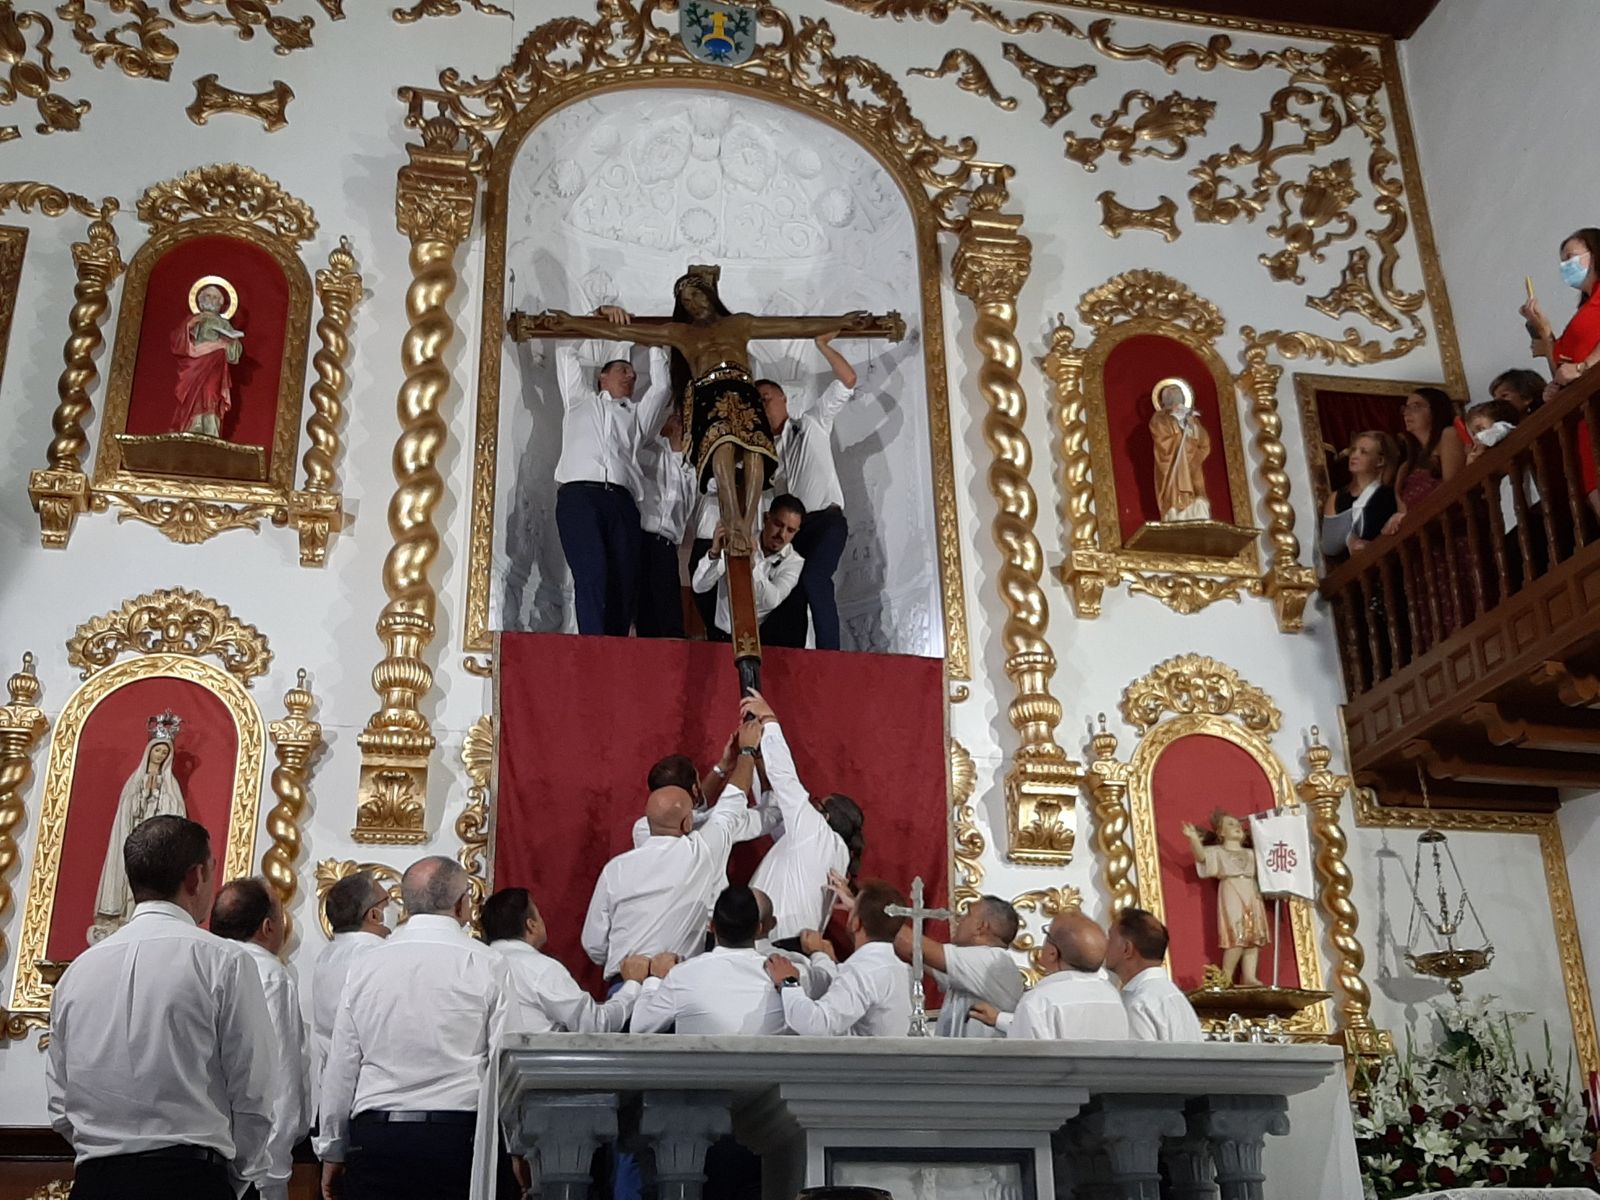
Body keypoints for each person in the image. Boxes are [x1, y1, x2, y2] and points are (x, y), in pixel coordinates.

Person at [46, 815, 275, 1200]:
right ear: (194, 877)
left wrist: (107, 1155)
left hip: (97, 1181)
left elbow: (60, 1102)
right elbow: (254, 1090)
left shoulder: (76, 973)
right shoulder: (223, 960)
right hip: (190, 1178)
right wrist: (237, 1176)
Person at [317, 857, 512, 1200]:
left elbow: (343, 1065)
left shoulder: (365, 966)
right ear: (462, 904)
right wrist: (516, 1147)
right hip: (456, 1136)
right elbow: (505, 1062)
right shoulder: (488, 963)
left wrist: (332, 1149)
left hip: (378, 1135)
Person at [582, 713, 765, 980]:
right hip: (679, 986)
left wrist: (628, 957)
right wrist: (748, 750)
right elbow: (731, 804)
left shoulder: (616, 868)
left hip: (624, 986)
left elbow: (594, 945)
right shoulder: (701, 853)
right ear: (688, 822)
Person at [549, 307, 674, 636]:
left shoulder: (636, 416)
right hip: (579, 497)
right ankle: (593, 644)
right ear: (601, 377)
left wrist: (652, 337)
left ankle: (615, 647)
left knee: (623, 579)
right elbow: (566, 351)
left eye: (633, 374)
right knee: (592, 573)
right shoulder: (578, 400)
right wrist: (596, 318)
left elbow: (661, 388)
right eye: (623, 370)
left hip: (621, 502)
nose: (630, 377)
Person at [757, 334, 860, 649]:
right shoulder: (764, 455)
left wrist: (822, 346)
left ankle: (830, 656)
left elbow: (848, 379)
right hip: (793, 533)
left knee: (815, 579)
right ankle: (788, 657)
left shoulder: (814, 422)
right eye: (756, 403)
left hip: (826, 522)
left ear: (784, 399)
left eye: (767, 398)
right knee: (789, 592)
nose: (763, 406)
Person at [210, 877, 311, 1200]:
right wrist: (273, 1168)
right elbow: (278, 1077)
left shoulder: (202, 963)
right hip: (254, 1168)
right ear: (268, 927)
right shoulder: (268, 973)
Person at [741, 689, 860, 940]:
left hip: (777, 943)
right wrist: (756, 761)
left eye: (818, 803)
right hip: (793, 943)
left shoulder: (816, 831)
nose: (811, 805)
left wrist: (770, 721)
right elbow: (774, 810)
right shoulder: (828, 848)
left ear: (825, 816)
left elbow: (786, 781)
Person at [483, 886, 662, 1032]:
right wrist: (631, 986)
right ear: (531, 925)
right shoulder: (540, 969)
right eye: (539, 914)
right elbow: (594, 1025)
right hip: (537, 1072)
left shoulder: (477, 966)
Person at [631, 885, 787, 1035]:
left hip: (696, 1063)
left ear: (712, 927)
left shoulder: (681, 976)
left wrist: (654, 979)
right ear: (759, 929)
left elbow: (640, 1028)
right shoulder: (788, 978)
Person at [764, 880, 912, 1037]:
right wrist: (821, 955)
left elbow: (817, 1025)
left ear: (856, 923)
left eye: (852, 910)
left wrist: (788, 982)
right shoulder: (903, 970)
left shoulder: (863, 970)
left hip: (864, 1060)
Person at [89, 712, 188, 943]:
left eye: (165, 752)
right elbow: (126, 810)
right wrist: (143, 795)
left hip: (154, 846)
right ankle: (119, 918)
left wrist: (157, 797)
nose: (160, 755)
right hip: (130, 836)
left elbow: (174, 815)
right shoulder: (134, 781)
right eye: (157, 750)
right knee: (125, 878)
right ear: (149, 751)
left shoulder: (170, 785)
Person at [1382, 387, 1470, 638]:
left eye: (1417, 406)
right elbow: (1403, 511)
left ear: (1436, 410)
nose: (1408, 413)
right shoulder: (1406, 466)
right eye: (1406, 408)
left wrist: (1408, 517)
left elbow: (1451, 486)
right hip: (1425, 547)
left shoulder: (1448, 436)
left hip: (1453, 534)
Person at [310, 872, 389, 1123]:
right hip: (373, 1096)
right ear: (374, 915)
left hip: (331, 1093)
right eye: (388, 902)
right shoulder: (379, 956)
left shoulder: (326, 956)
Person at [894, 894, 1023, 1038]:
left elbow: (912, 945)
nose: (959, 920)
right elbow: (912, 954)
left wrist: (879, 914)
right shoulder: (971, 965)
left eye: (967, 915)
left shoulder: (992, 960)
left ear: (981, 927)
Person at [692, 495, 806, 643]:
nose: (782, 535)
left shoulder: (794, 562)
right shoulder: (737, 542)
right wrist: (714, 553)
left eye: (790, 530)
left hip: (759, 642)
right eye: (778, 524)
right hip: (720, 637)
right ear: (766, 518)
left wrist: (751, 566)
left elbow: (771, 600)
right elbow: (699, 586)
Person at [1003, 912, 1129, 1041]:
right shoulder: (1112, 995)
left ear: (1053, 953)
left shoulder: (1039, 1002)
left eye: (1047, 934)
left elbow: (1024, 1057)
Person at [1182, 810, 1269, 988]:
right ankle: (1226, 977)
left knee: (1254, 937)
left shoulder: (1252, 854)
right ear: (1221, 833)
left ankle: (1249, 976)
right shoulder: (1218, 851)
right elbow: (1202, 857)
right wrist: (1193, 838)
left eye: (1238, 824)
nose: (1237, 827)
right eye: (1230, 824)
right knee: (1236, 934)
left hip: (1252, 890)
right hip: (1232, 889)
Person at [635, 406, 698, 638]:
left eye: (684, 423)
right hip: (642, 534)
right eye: (676, 419)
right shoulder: (647, 449)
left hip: (668, 540)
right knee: (646, 608)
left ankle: (672, 641)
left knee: (667, 596)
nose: (679, 426)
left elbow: (687, 502)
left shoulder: (690, 466)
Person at [1105, 908, 1204, 1043]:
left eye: (1110, 938)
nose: (1105, 945)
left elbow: (1138, 1062)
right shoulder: (1175, 996)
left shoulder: (1138, 1003)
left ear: (1127, 949)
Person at [171, 281, 245, 437]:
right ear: (200, 300)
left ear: (221, 303)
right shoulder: (194, 319)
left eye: (215, 298)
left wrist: (229, 343)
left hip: (215, 365)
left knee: (211, 392)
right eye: (208, 296)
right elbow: (178, 341)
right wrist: (189, 326)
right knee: (193, 394)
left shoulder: (224, 324)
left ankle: (211, 429)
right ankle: (194, 425)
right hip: (195, 363)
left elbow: (234, 352)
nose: (211, 300)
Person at [1321, 430, 1398, 557]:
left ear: (1380, 461)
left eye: (1363, 452)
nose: (1354, 456)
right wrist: (1349, 539)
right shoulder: (1336, 498)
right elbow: (1329, 546)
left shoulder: (1390, 495)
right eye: (1353, 450)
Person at [1149, 377, 1211, 521]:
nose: (1176, 400)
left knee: (1197, 491)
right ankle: (1175, 510)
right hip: (1172, 461)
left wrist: (1191, 427)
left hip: (1191, 460)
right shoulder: (1160, 417)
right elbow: (1161, 439)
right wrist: (1179, 429)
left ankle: (1195, 508)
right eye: (1172, 397)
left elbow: (1204, 441)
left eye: (1178, 396)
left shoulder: (1190, 416)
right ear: (1165, 400)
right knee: (1174, 486)